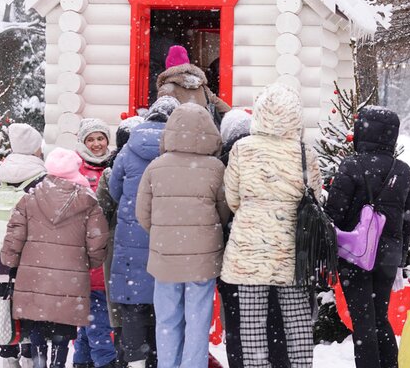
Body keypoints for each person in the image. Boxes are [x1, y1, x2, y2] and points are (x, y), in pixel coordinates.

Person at [221, 83, 321, 368]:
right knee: (297, 319)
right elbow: (314, 197)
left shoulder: (242, 149)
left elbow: (232, 198)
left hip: (249, 250)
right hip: (292, 249)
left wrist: (256, 214)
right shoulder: (304, 152)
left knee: (252, 323)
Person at [136, 103, 230, 368]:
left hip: (165, 257)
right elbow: (223, 211)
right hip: (203, 259)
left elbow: (143, 214)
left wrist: (163, 235)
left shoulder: (155, 167)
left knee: (166, 320)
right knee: (198, 321)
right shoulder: (215, 168)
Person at [324, 106, 410, 368]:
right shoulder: (403, 170)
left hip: (355, 256)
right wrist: (399, 257)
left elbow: (334, 214)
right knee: (379, 318)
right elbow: (406, 220)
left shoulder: (352, 165)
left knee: (363, 323)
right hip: (388, 256)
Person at [0, 148, 109, 368]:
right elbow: (97, 240)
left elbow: (14, 233)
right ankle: (58, 364)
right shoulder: (88, 200)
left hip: (35, 274)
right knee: (63, 326)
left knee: (37, 323)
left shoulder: (29, 197)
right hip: (70, 277)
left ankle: (40, 363)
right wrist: (88, 263)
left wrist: (11, 260)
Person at [108, 97, 179, 368]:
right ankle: (161, 359)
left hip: (131, 236)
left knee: (133, 305)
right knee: (165, 308)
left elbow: (114, 191)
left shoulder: (127, 151)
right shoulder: (178, 150)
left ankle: (136, 359)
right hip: (166, 236)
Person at [216, 109, 290, 368]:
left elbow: (226, 208)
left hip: (236, 258)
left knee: (237, 325)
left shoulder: (223, 164)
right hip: (274, 255)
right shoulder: (276, 160)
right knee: (274, 321)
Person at [0, 124, 48, 368]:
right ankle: (28, 353)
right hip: (29, 253)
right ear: (34, 148)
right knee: (30, 307)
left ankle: (8, 356)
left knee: (4, 303)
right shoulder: (41, 176)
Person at [96, 114, 146, 367]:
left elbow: (99, 216)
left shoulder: (110, 173)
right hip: (151, 248)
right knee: (149, 313)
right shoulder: (155, 169)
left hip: (118, 251)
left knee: (123, 311)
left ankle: (126, 358)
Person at [73, 118, 117, 368]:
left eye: (100, 138)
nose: (97, 144)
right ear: (83, 142)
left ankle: (82, 361)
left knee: (89, 319)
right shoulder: (78, 171)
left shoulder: (113, 167)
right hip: (87, 253)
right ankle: (105, 361)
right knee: (97, 316)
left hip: (107, 250)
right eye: (91, 139)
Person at [156, 45, 231, 114]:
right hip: (204, 127)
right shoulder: (202, 88)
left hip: (180, 128)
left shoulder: (166, 89)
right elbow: (225, 109)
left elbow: (162, 117)